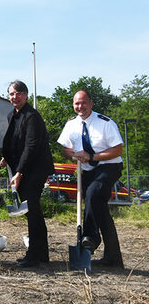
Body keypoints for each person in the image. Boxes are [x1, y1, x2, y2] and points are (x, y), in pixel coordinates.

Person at [57, 90, 124, 268]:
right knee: (99, 208)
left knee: (93, 195)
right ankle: (113, 257)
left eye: (84, 103)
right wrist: (74, 155)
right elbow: (65, 148)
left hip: (109, 166)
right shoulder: (71, 125)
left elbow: (117, 151)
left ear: (91, 104)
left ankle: (90, 238)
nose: (80, 107)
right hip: (86, 169)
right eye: (77, 104)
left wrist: (91, 156)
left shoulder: (105, 123)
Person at [0, 80, 54, 268]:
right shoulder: (12, 115)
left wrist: (20, 171)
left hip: (35, 170)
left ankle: (33, 254)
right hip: (22, 168)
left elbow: (31, 146)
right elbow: (16, 141)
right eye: (11, 94)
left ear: (26, 95)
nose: (14, 97)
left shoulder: (32, 116)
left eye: (18, 93)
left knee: (31, 210)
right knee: (34, 212)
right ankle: (42, 253)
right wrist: (8, 158)